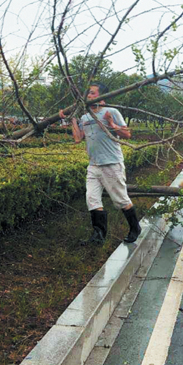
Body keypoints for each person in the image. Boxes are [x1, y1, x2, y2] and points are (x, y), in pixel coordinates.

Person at [59, 83, 142, 245]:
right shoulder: (85, 117)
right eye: (87, 93)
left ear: (102, 97)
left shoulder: (112, 112)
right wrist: (73, 119)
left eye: (92, 93)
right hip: (93, 165)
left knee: (120, 200)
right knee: (92, 199)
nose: (88, 96)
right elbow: (78, 138)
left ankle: (135, 228)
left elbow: (127, 134)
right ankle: (99, 236)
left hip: (111, 163)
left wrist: (112, 124)